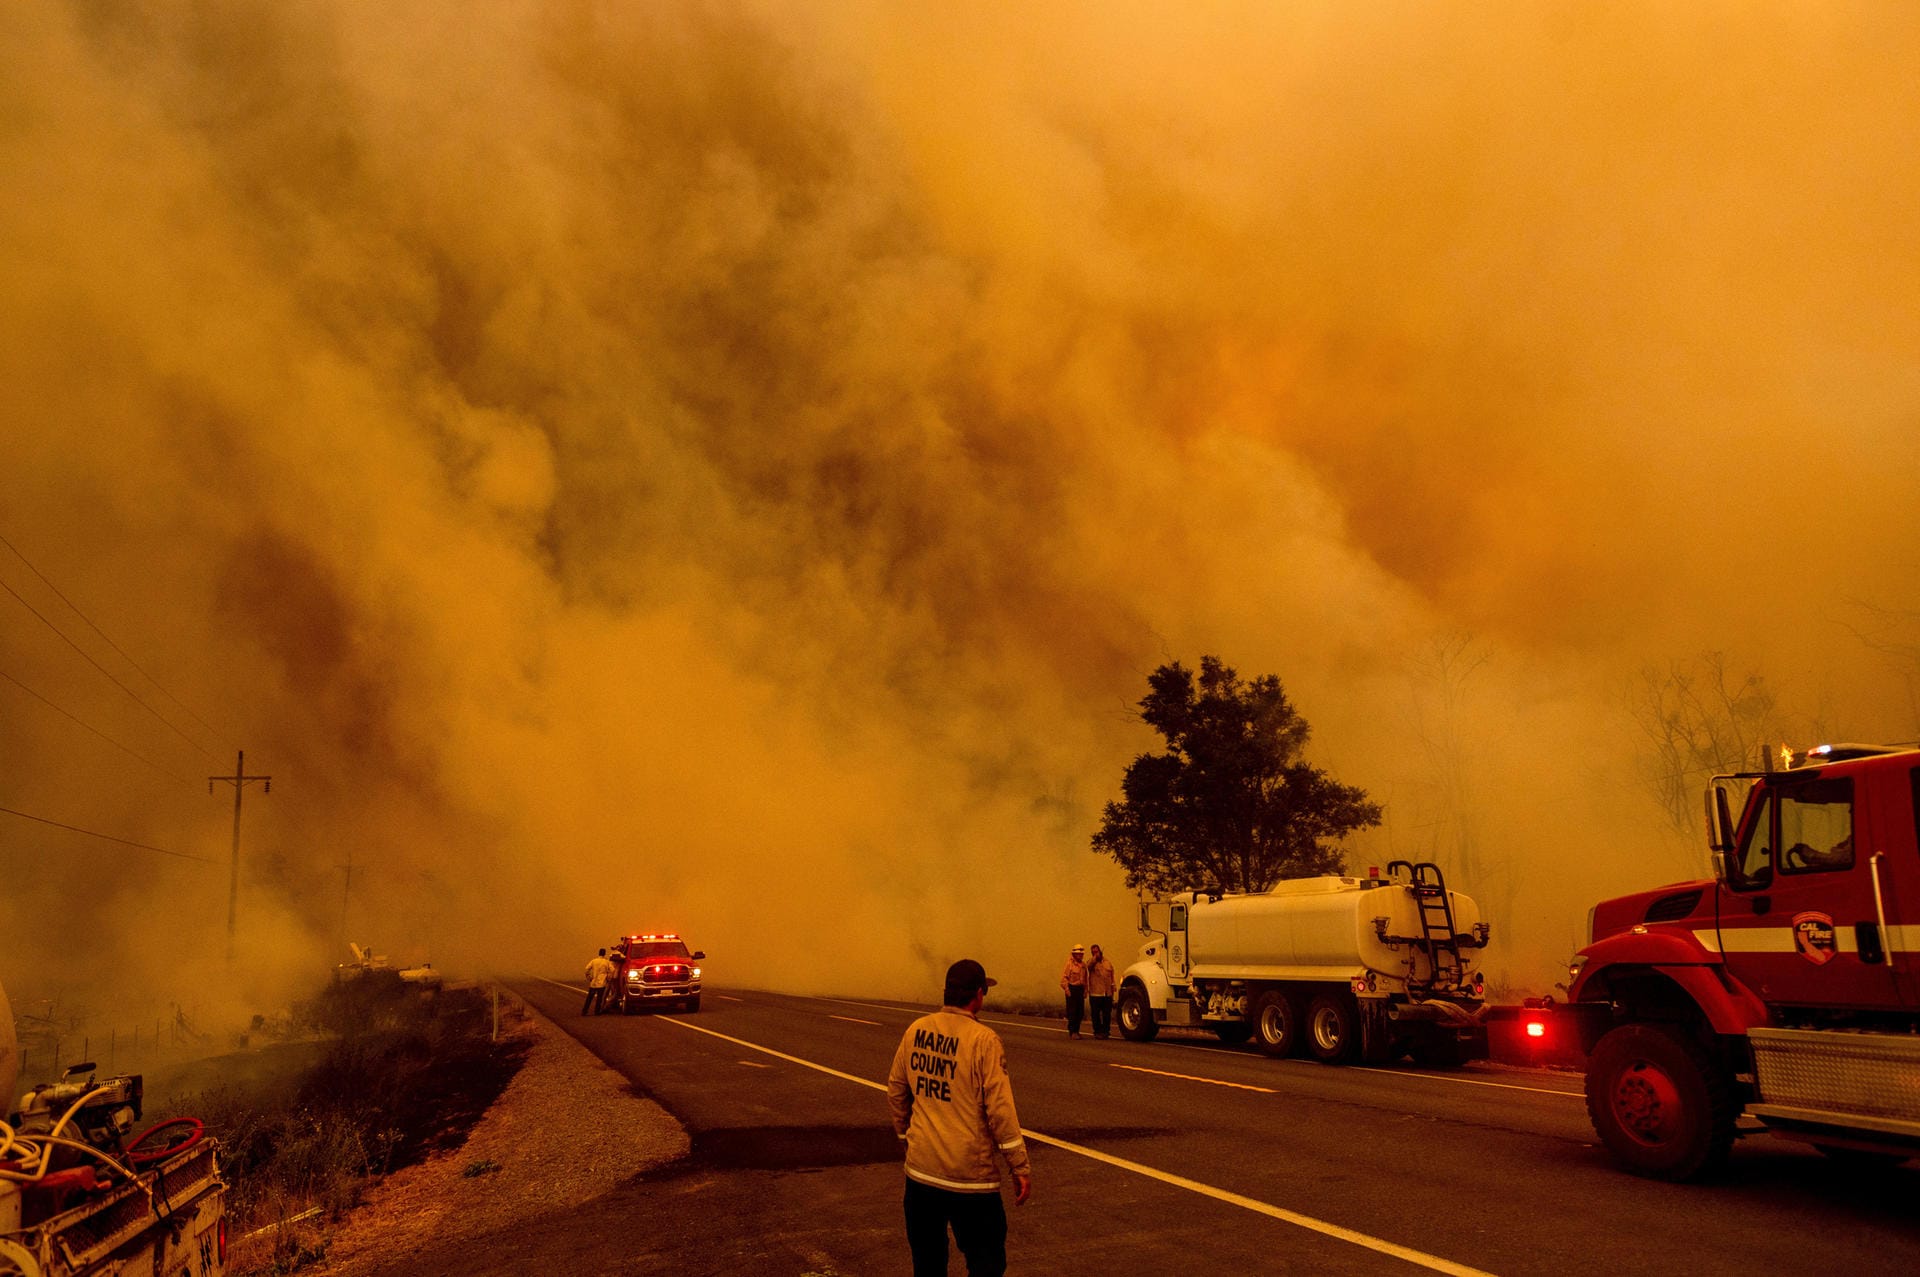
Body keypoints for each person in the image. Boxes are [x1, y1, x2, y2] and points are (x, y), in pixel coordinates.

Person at [887, 958, 1032, 1277]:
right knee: (986, 1263)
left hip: (921, 1175)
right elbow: (1001, 1112)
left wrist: (906, 1138)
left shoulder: (916, 1031)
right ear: (978, 994)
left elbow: (897, 1090)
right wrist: (1018, 1166)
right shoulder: (984, 1041)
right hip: (971, 1182)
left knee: (927, 1264)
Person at [1086, 943, 1116, 1039]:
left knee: (1107, 1014)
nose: (1095, 954)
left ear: (1100, 951)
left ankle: (1106, 1031)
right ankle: (1097, 1031)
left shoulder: (1107, 962)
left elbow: (1112, 976)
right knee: (1096, 1014)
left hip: (1107, 994)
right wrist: (1095, 958)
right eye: (1093, 952)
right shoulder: (1091, 962)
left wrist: (1113, 989)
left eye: (1097, 952)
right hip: (1095, 993)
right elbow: (1088, 966)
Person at [1059, 944, 1088, 1039]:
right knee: (1072, 1012)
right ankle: (1072, 1031)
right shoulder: (1069, 964)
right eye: (1078, 954)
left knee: (1080, 1012)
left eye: (1081, 954)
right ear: (1074, 954)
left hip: (1080, 989)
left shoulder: (1083, 965)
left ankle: (1077, 1030)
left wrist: (1085, 990)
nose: (1080, 955)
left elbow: (1085, 979)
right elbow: (1064, 979)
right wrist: (1067, 990)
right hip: (1072, 989)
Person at [583, 948, 616, 1016]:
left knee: (589, 998)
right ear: (604, 953)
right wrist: (609, 976)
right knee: (599, 998)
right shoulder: (606, 962)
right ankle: (597, 1011)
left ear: (599, 953)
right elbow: (612, 970)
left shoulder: (594, 961)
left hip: (593, 982)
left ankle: (584, 1011)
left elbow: (587, 969)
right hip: (602, 982)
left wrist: (588, 977)